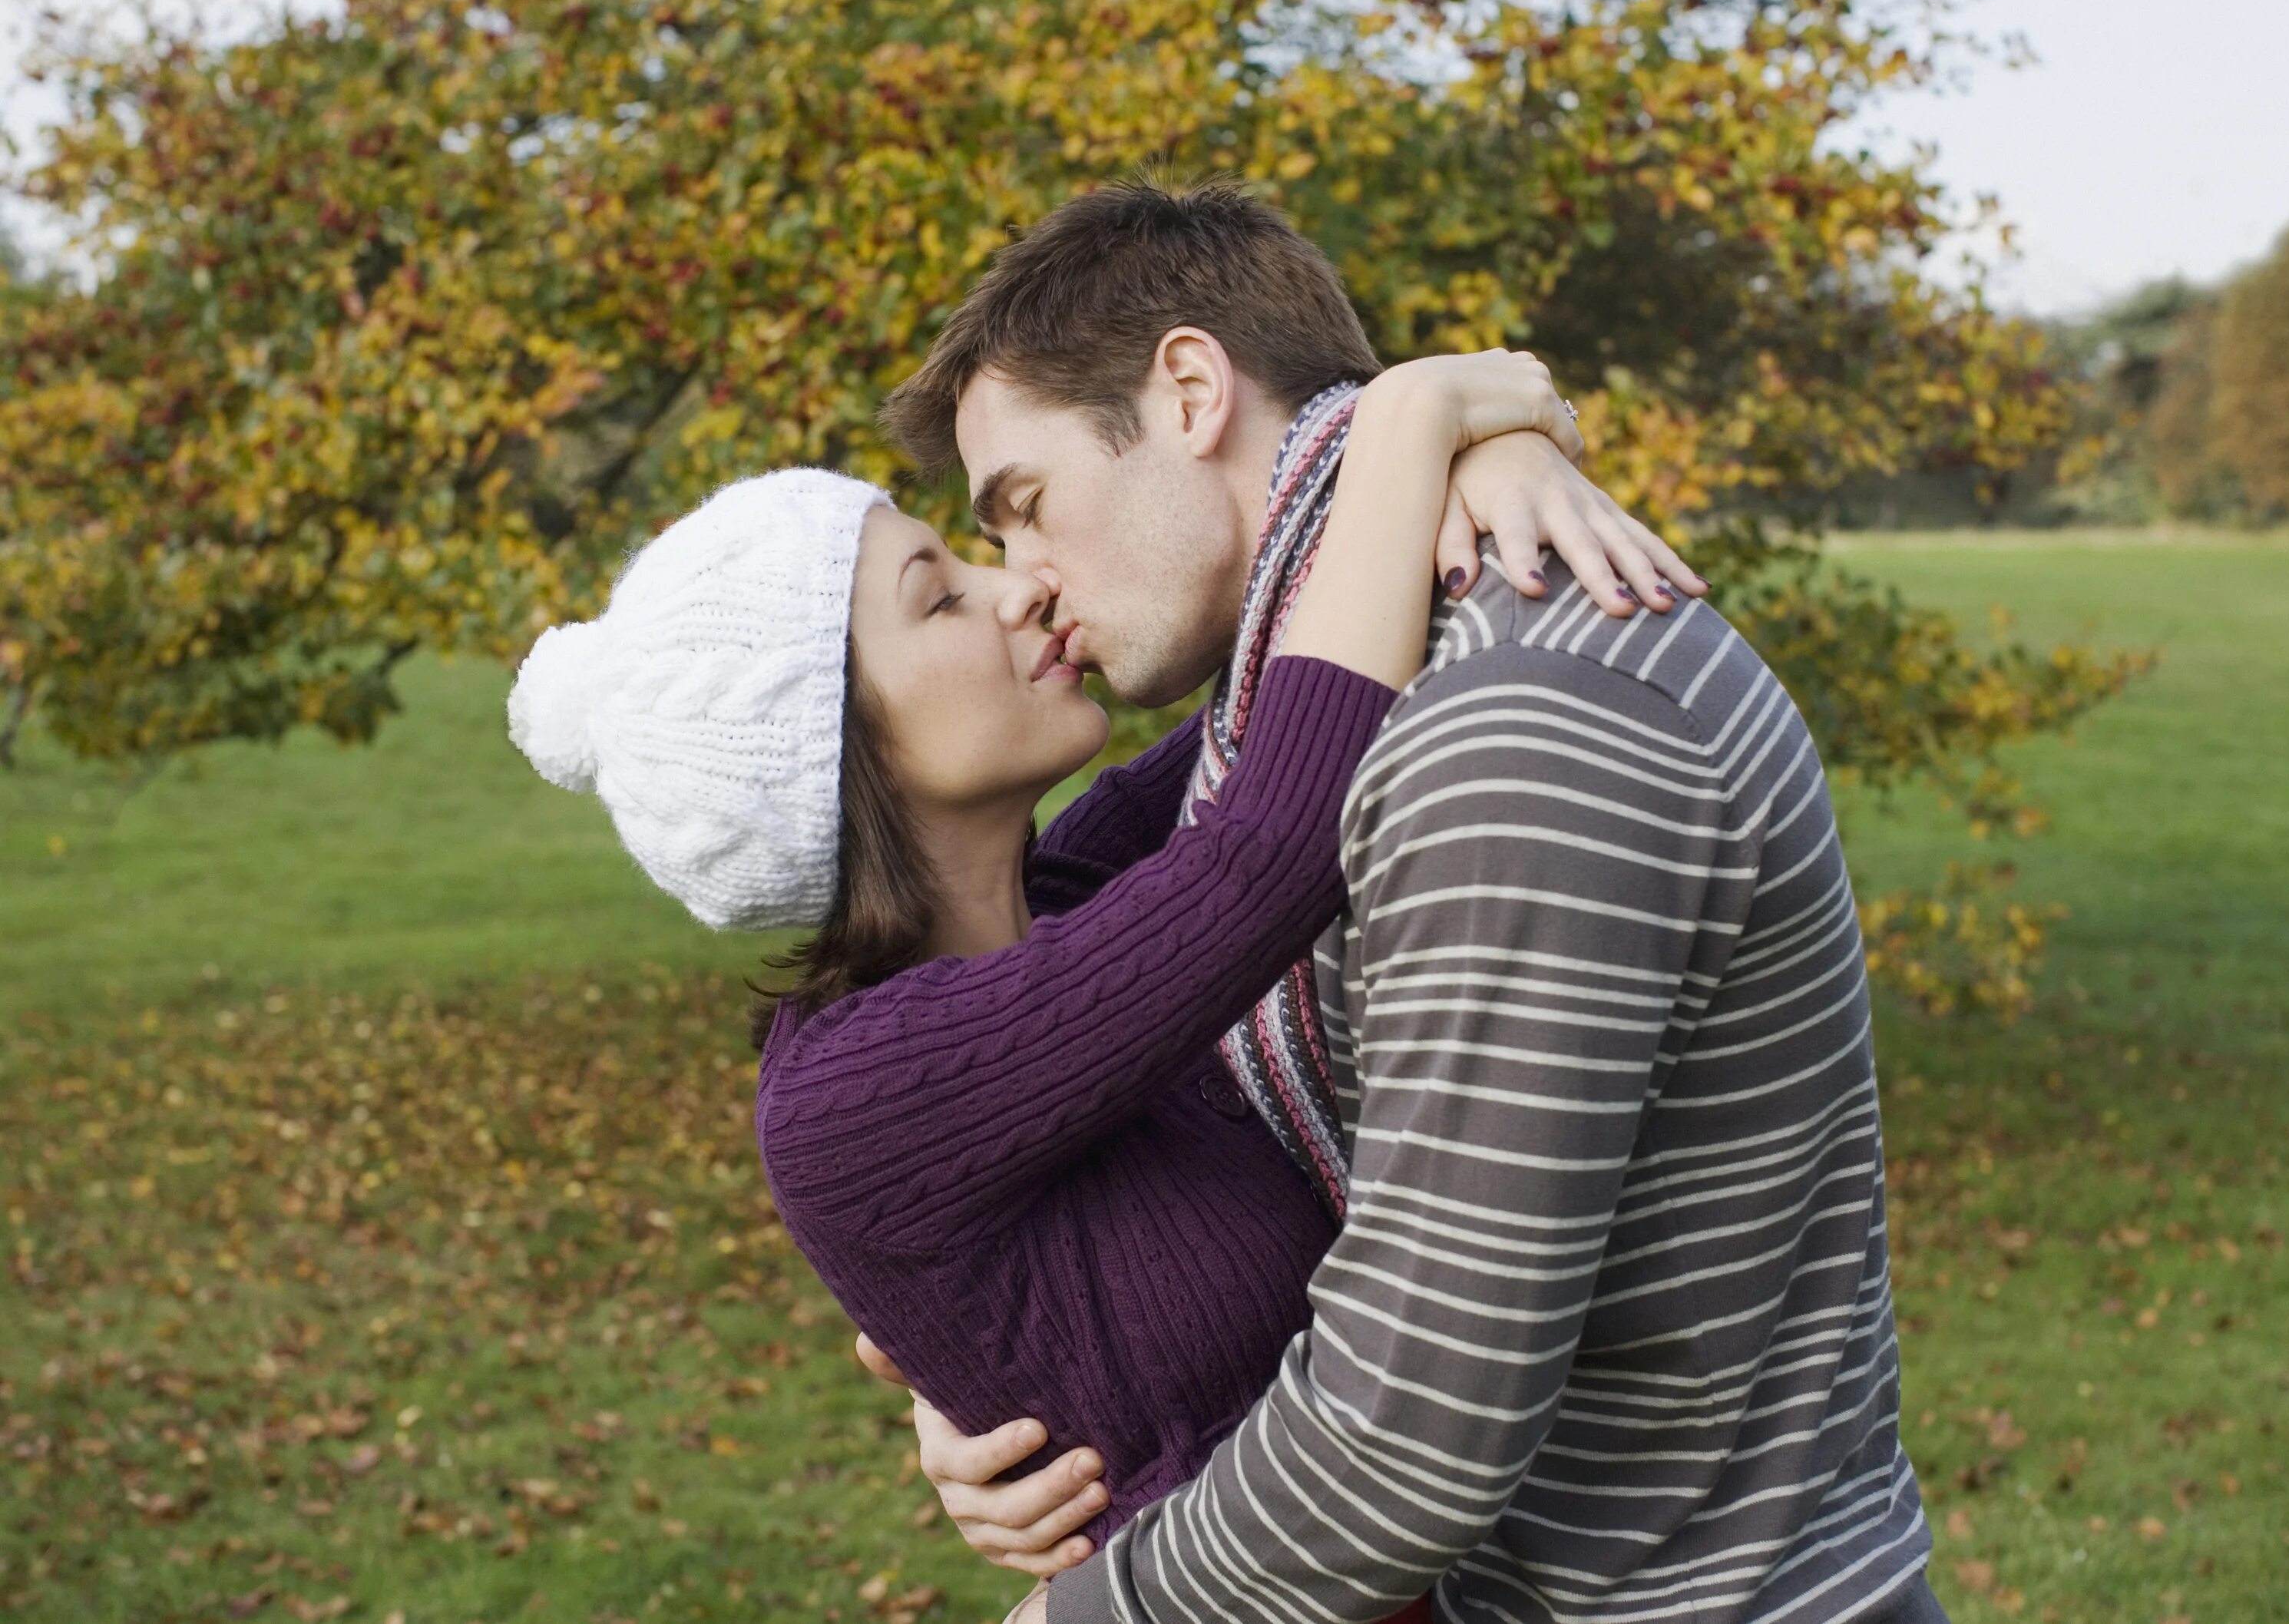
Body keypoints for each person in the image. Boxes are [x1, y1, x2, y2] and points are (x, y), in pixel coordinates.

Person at [878, 179, 1947, 1624]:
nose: (1027, 584)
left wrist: (1085, 1617)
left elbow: (1404, 1444)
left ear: (1190, 389)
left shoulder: (1506, 730)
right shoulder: (1316, 704)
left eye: (1028, 506)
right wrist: (1011, 1376)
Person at [504, 351, 1689, 1624]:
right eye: (942, 599)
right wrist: (1413, 424)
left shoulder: (1049, 906)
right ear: (838, 754)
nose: (1016, 588)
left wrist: (1491, 455)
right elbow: (1271, 843)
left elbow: (1299, 668)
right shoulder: (859, 1089)